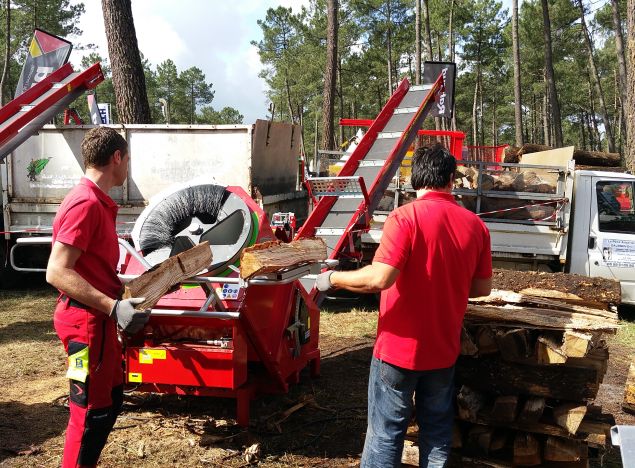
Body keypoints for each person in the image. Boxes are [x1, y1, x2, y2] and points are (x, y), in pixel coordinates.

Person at [316, 144, 492, 468]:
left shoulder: (404, 217)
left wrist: (332, 280)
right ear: (452, 179)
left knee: (386, 434)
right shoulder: (476, 225)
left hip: (398, 351)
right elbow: (482, 288)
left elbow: (380, 278)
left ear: (415, 178)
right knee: (437, 433)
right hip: (442, 350)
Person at [46, 127, 151, 468]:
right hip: (85, 327)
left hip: (96, 324)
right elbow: (57, 271)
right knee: (91, 413)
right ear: (116, 158)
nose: (127, 167)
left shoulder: (96, 202)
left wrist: (129, 293)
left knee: (108, 404)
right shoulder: (85, 203)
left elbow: (92, 267)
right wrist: (111, 306)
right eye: (127, 159)